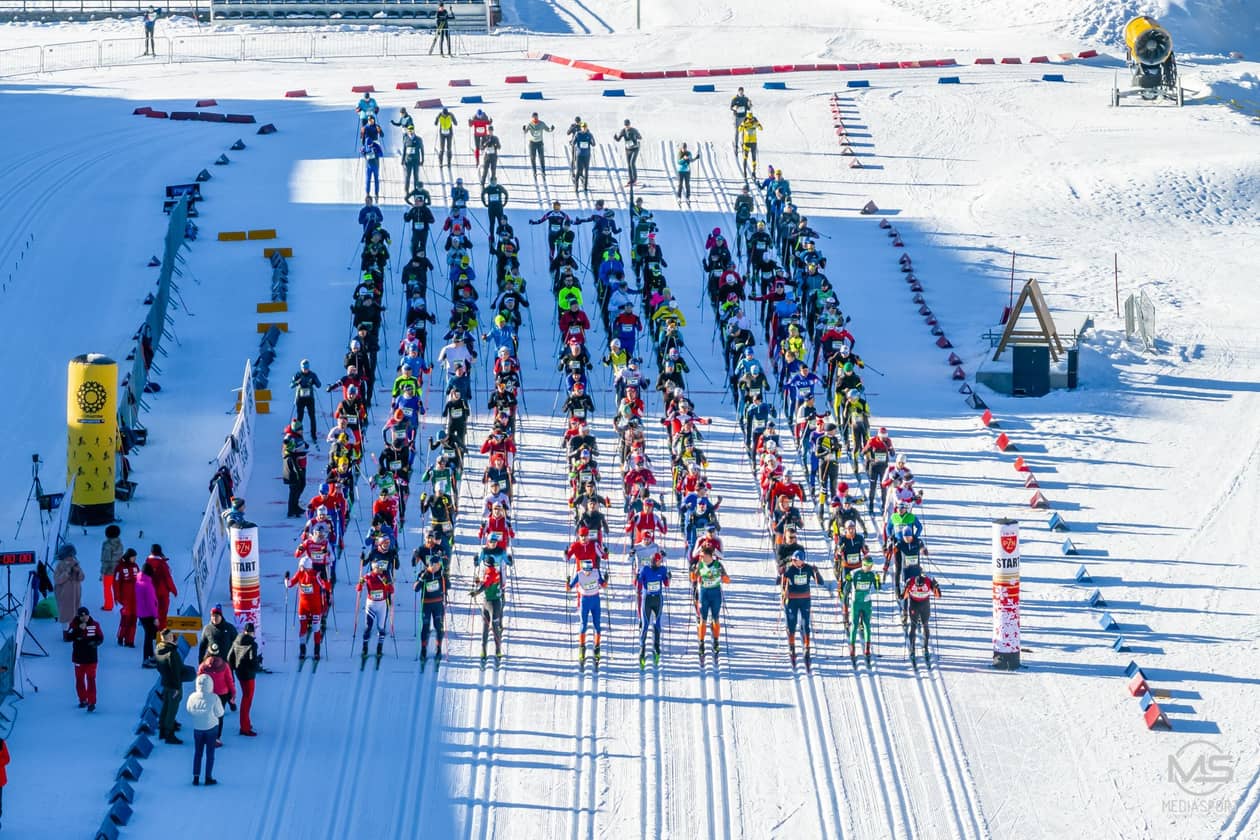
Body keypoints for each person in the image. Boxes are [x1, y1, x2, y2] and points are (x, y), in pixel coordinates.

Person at [780, 551, 825, 664]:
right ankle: (792, 646)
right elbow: (780, 583)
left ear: (802, 561)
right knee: (792, 623)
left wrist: (817, 572)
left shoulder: (808, 569)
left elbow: (820, 582)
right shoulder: (790, 569)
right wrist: (780, 574)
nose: (794, 562)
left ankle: (807, 648)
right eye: (793, 560)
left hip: (805, 599)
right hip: (792, 600)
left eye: (796, 560)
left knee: (805, 624)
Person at [286, 557, 330, 661]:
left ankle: (316, 651)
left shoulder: (316, 576)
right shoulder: (299, 574)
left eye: (302, 566)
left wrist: (326, 581)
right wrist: (286, 579)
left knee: (316, 628)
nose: (300, 568)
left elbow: (326, 586)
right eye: (300, 566)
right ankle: (302, 650)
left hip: (315, 606)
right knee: (303, 627)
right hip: (303, 606)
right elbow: (289, 584)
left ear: (308, 567)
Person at [566, 557, 607, 664]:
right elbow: (569, 588)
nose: (587, 573)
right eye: (585, 570)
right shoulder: (579, 575)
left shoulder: (596, 572)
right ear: (582, 569)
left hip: (595, 600)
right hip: (585, 601)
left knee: (597, 625)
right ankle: (582, 649)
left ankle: (597, 649)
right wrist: (567, 582)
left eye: (589, 570)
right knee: (583, 625)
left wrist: (605, 580)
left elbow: (603, 585)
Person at [185, 673, 223, 786]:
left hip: (197, 728)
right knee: (210, 753)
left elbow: (189, 709)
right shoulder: (214, 698)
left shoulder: (192, 697)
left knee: (198, 753)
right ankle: (208, 777)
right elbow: (220, 713)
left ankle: (196, 777)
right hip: (211, 728)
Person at [691, 546, 730, 657]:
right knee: (703, 619)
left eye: (703, 555)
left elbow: (727, 579)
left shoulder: (718, 565)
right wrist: (693, 572)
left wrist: (724, 578)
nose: (701, 557)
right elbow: (694, 578)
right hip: (704, 594)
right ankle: (701, 643)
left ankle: (716, 641)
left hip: (715, 594)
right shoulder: (700, 564)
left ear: (709, 555)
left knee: (715, 618)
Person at [635, 549, 670, 667]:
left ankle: (656, 646)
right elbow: (638, 581)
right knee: (645, 625)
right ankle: (642, 649)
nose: (661, 562)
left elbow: (666, 584)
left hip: (658, 599)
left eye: (661, 560)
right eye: (659, 561)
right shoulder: (645, 569)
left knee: (657, 624)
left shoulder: (662, 569)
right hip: (647, 600)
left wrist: (668, 577)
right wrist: (637, 576)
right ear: (654, 561)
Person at [470, 553, 506, 662]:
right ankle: (484, 650)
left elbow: (486, 585)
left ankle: (498, 650)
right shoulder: (491, 571)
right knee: (485, 627)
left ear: (487, 565)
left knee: (494, 627)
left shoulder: (491, 572)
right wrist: (478, 582)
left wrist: (476, 592)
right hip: (486, 601)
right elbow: (486, 582)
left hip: (493, 603)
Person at [197, 644, 235, 744]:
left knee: (208, 715)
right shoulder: (225, 665)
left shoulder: (203, 666)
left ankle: (206, 736)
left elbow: (199, 680)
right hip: (222, 694)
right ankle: (216, 738)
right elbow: (230, 680)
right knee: (219, 715)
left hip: (208, 694)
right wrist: (233, 693)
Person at [227, 622, 261, 736]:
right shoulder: (252, 644)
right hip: (249, 676)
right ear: (252, 632)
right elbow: (252, 661)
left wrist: (234, 669)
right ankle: (245, 727)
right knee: (247, 700)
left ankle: (246, 723)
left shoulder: (236, 640)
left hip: (239, 674)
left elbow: (229, 657)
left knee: (245, 698)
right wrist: (257, 667)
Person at [844, 556, 880, 664]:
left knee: (867, 625)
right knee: (854, 625)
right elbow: (847, 587)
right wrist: (845, 596)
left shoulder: (872, 574)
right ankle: (852, 647)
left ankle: (867, 648)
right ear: (863, 565)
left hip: (867, 603)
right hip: (856, 603)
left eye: (870, 566)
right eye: (867, 566)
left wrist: (878, 580)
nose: (869, 568)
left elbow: (878, 588)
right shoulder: (855, 573)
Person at [357, 559, 395, 659]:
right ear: (374, 569)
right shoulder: (368, 576)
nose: (381, 570)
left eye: (381, 568)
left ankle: (379, 648)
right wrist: (360, 584)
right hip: (371, 604)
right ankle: (364, 648)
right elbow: (358, 588)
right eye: (378, 568)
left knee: (381, 627)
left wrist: (387, 585)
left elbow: (391, 590)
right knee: (368, 627)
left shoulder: (384, 577)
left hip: (382, 605)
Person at [902, 571, 942, 665]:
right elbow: (904, 595)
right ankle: (912, 649)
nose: (919, 588)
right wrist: (902, 592)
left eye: (921, 586)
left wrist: (937, 587)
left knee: (925, 625)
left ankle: (926, 647)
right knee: (913, 626)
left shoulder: (928, 581)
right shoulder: (910, 582)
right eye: (917, 586)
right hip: (914, 604)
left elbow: (938, 596)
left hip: (925, 605)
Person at [413, 552, 447, 663]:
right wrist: (421, 580)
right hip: (426, 604)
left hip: (438, 604)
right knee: (426, 627)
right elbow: (416, 588)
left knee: (438, 627)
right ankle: (423, 649)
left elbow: (448, 586)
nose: (436, 568)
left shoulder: (440, 574)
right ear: (430, 565)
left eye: (438, 566)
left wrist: (444, 577)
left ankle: (438, 649)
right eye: (434, 566)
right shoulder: (424, 573)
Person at [69, 607, 103, 711]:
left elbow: (100, 637)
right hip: (79, 658)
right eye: (82, 616)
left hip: (91, 658)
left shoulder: (95, 625)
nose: (84, 618)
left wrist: (95, 643)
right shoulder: (73, 625)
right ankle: (83, 699)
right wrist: (78, 629)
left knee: (91, 679)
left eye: (86, 615)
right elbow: (68, 637)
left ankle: (92, 702)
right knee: (80, 679)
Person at [154, 629, 186, 743]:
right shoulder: (172, 653)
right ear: (169, 638)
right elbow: (176, 671)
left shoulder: (158, 649)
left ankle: (162, 730)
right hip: (173, 685)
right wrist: (177, 687)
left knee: (165, 706)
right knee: (172, 709)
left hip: (165, 682)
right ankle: (169, 734)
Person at [146, 545, 178, 631]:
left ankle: (152, 632)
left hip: (151, 592)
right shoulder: (162, 564)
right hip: (162, 593)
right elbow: (168, 578)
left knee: (153, 613)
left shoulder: (147, 563)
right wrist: (174, 590)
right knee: (162, 614)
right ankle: (161, 632)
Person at [53, 543, 84, 627]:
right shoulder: (59, 566)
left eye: (72, 556)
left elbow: (82, 578)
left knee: (76, 613)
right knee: (66, 615)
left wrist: (78, 572)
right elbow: (57, 580)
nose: (71, 558)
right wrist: (67, 572)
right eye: (69, 556)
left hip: (76, 594)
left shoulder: (76, 564)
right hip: (64, 595)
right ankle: (65, 633)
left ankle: (75, 631)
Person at [114, 548, 140, 646]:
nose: (134, 559)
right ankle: (121, 636)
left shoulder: (136, 567)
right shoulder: (120, 568)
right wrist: (117, 598)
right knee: (125, 618)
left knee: (134, 618)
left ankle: (130, 640)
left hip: (135, 598)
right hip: (125, 598)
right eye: (133, 557)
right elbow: (116, 583)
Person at [136, 562, 160, 666]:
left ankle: (150, 657)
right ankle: (147, 658)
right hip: (149, 614)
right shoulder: (148, 585)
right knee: (149, 637)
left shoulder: (138, 581)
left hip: (141, 613)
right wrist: (155, 616)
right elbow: (151, 603)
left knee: (149, 635)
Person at [290, 360, 322, 436]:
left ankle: (313, 435)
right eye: (304, 368)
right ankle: (297, 434)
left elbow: (319, 385)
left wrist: (314, 381)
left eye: (307, 368)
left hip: (309, 399)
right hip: (300, 399)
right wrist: (296, 382)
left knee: (312, 417)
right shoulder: (297, 374)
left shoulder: (312, 375)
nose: (305, 370)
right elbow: (291, 386)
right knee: (300, 417)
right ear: (301, 368)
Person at [521, 113, 554, 178]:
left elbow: (548, 129)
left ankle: (543, 171)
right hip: (532, 143)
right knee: (532, 158)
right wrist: (524, 129)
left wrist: (551, 129)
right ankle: (534, 171)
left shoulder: (541, 123)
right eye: (534, 117)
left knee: (541, 157)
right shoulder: (530, 124)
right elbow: (525, 132)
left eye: (536, 117)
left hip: (539, 143)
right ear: (532, 118)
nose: (535, 119)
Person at [99, 525, 123, 612]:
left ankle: (108, 605)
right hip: (118, 569)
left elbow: (106, 559)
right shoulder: (120, 544)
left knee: (107, 588)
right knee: (116, 587)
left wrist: (103, 571)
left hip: (109, 570)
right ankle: (120, 603)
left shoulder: (107, 545)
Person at [613, 119, 642, 185]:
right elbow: (618, 139)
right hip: (628, 149)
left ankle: (634, 179)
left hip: (635, 148)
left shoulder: (634, 130)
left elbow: (640, 137)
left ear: (630, 124)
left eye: (628, 125)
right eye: (626, 125)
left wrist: (636, 136)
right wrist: (615, 137)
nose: (627, 126)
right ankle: (631, 179)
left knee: (632, 163)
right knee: (629, 165)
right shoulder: (623, 131)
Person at [400, 124, 425, 197]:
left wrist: (423, 160)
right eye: (409, 130)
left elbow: (422, 150)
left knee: (416, 176)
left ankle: (416, 190)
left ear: (414, 130)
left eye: (411, 129)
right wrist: (402, 160)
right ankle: (406, 191)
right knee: (407, 176)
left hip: (416, 160)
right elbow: (404, 150)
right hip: (408, 161)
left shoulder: (418, 139)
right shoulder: (406, 139)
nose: (410, 131)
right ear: (407, 131)